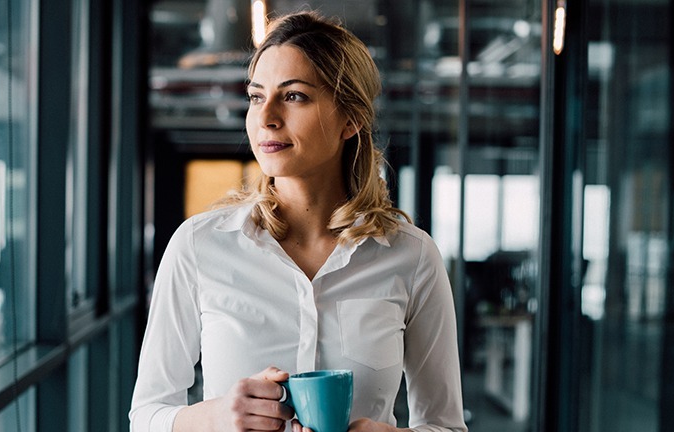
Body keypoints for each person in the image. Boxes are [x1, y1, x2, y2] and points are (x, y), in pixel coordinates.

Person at [130, 11, 467, 432]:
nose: (266, 116)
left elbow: (446, 425)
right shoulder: (198, 246)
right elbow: (146, 416)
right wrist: (217, 416)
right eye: (256, 96)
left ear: (351, 119)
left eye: (294, 97)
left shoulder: (411, 256)